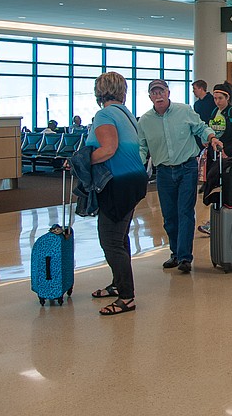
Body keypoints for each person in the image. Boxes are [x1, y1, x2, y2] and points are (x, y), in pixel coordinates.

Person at [137, 79, 221, 275]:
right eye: (154, 93)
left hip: (187, 168)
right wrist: (136, 165)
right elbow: (142, 147)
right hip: (164, 171)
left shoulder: (184, 111)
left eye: (161, 92)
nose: (158, 96)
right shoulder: (145, 121)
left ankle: (184, 257)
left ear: (168, 93)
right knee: (169, 217)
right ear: (150, 97)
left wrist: (212, 137)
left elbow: (200, 127)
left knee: (185, 212)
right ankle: (175, 252)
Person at [87, 72, 148, 316]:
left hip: (118, 183)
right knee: (120, 237)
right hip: (134, 179)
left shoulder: (104, 114)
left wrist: (82, 160)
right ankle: (118, 284)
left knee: (110, 240)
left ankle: (126, 297)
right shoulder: (127, 115)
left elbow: (108, 149)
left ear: (99, 91)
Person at [198, 82, 232, 235]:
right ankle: (218, 220)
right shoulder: (214, 112)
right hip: (217, 157)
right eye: (215, 98)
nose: (217, 101)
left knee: (230, 189)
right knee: (217, 187)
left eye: (220, 98)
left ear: (227, 98)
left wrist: (228, 150)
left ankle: (230, 222)